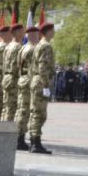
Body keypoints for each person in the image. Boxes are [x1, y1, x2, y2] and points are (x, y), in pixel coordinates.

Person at [29, 20, 57, 153]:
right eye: (53, 30)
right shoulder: (46, 46)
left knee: (36, 112)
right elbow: (43, 67)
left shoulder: (39, 44)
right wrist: (46, 85)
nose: (54, 32)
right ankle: (35, 143)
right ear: (48, 32)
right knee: (39, 114)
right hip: (41, 82)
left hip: (37, 80)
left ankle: (34, 141)